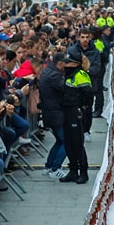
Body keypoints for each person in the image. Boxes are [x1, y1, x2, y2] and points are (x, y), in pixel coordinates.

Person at [58, 47, 92, 184]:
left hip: (76, 113)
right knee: (68, 143)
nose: (65, 64)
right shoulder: (68, 75)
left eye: (68, 62)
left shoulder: (81, 75)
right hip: (66, 112)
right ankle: (73, 170)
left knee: (77, 143)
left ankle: (83, 172)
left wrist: (82, 108)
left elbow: (88, 96)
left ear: (75, 63)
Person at [38, 53, 67, 177]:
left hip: (50, 112)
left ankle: (49, 165)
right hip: (55, 112)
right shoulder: (55, 75)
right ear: (60, 64)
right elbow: (65, 88)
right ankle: (55, 168)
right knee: (66, 141)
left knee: (60, 140)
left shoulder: (47, 71)